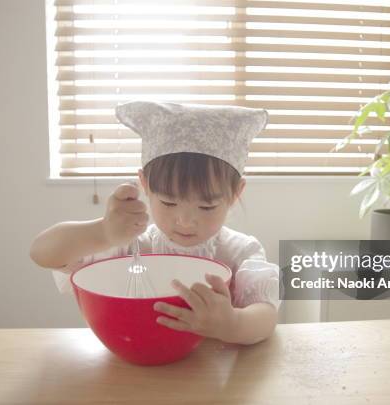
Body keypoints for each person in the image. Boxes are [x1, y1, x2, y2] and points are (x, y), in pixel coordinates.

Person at [30, 100, 280, 345]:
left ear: (236, 194)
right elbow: (42, 253)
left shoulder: (240, 252)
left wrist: (233, 324)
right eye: (169, 203)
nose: (185, 221)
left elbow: (266, 316)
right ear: (145, 185)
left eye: (207, 207)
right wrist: (103, 232)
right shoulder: (132, 247)